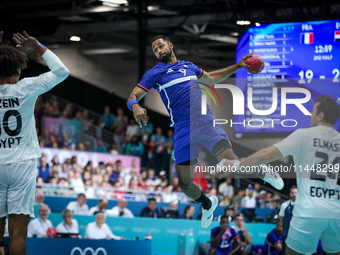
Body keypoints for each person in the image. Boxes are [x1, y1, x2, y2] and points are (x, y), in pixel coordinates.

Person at [126, 35, 283, 228]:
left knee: (229, 163)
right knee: (184, 184)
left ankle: (262, 170)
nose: (158, 51)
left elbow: (212, 78)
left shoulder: (189, 66)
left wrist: (238, 66)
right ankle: (208, 205)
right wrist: (135, 106)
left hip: (205, 121)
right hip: (183, 129)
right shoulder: (155, 73)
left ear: (170, 45)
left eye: (160, 46)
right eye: (155, 49)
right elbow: (133, 95)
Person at [221, 95, 340, 255]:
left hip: (309, 212)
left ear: (321, 115)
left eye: (313, 111)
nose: (311, 115)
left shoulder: (305, 135)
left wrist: (237, 165)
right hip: (336, 213)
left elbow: (266, 155)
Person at [0, 30, 68, 254]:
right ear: (17, 70)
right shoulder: (25, 88)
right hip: (23, 164)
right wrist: (38, 46)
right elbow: (62, 71)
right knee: (18, 233)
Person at [278, 185, 297, 255]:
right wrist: (279, 227)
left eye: (295, 193)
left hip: (298, 235)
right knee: (285, 253)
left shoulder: (302, 205)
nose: (294, 194)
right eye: (292, 193)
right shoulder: (284, 205)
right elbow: (280, 217)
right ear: (290, 194)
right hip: (286, 234)